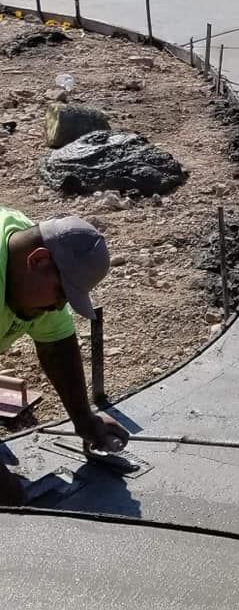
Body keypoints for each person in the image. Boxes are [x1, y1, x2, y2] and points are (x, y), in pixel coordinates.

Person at [0, 208, 129, 506]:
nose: (59, 308)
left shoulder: (24, 262)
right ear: (38, 260)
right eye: (60, 294)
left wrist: (83, 417)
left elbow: (57, 345)